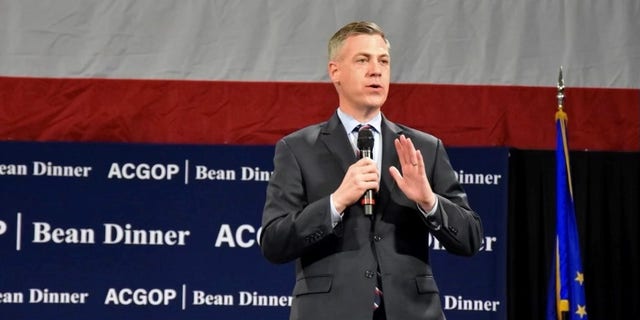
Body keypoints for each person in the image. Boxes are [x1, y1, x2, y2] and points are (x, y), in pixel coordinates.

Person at [260, 21, 483, 320]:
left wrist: (429, 201)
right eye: (362, 60)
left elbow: (470, 238)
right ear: (335, 71)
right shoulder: (297, 149)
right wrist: (336, 202)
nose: (376, 70)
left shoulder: (424, 148)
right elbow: (274, 242)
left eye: (383, 61)